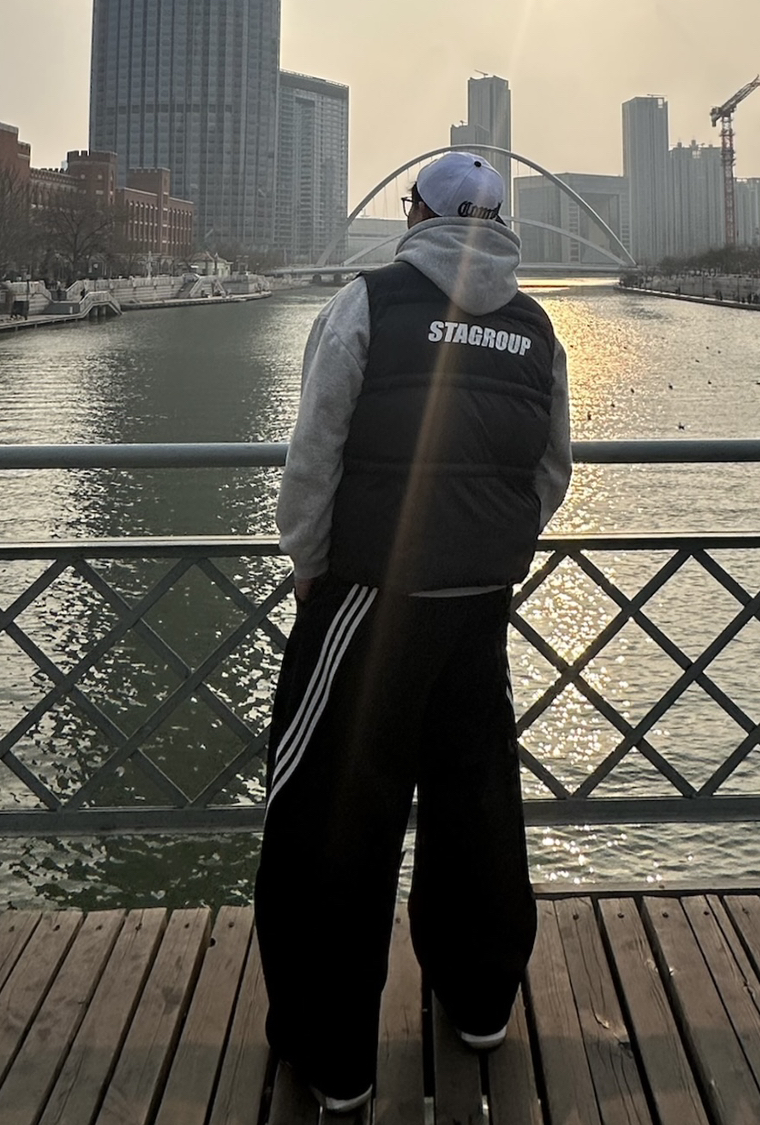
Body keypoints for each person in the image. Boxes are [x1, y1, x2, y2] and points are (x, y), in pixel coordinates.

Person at [255, 151, 572, 1113]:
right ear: (500, 222)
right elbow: (551, 471)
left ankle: (335, 1055)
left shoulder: (367, 304)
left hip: (370, 598)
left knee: (332, 815)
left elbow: (315, 455)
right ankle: (480, 1003)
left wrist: (313, 566)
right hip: (479, 601)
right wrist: (494, 548)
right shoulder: (534, 326)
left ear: (416, 213)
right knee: (476, 799)